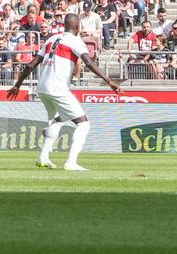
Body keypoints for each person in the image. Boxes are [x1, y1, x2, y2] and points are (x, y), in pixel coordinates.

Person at [7, 11, 121, 172]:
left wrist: (17, 84)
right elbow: (88, 63)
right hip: (58, 87)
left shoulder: (51, 39)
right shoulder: (75, 41)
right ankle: (71, 162)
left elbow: (30, 65)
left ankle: (43, 157)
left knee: (58, 120)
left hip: (42, 87)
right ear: (77, 26)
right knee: (83, 124)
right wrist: (109, 81)